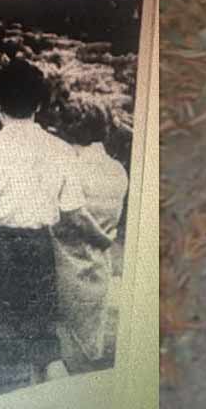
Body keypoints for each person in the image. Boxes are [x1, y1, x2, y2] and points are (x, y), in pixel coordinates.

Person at [0, 60, 90, 394]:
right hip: (37, 250)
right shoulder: (60, 150)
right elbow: (73, 210)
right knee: (45, 348)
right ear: (39, 105)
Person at [49, 110, 129, 376]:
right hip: (99, 265)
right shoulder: (118, 171)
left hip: (65, 265)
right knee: (89, 347)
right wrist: (105, 239)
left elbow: (66, 218)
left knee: (58, 353)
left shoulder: (70, 168)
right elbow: (113, 218)